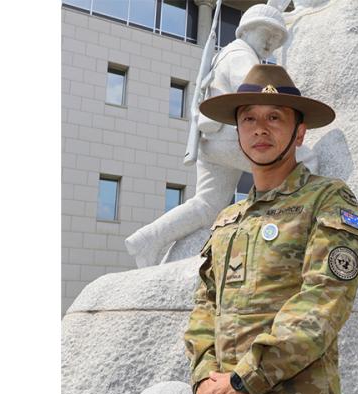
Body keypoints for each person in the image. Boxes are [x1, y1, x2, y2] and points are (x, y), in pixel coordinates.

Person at [183, 63, 358, 394]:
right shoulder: (227, 220)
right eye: (248, 119)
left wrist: (241, 381)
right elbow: (204, 309)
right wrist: (205, 380)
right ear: (238, 133)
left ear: (299, 132)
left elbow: (321, 305)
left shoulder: (328, 200)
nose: (259, 129)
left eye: (274, 118)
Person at [124, 3, 318, 268]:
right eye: (268, 34)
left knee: (207, 205)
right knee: (304, 156)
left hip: (211, 140)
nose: (272, 43)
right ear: (248, 29)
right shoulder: (240, 55)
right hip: (228, 137)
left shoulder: (228, 53)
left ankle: (148, 239)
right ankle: (294, 222)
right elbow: (253, 98)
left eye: (277, 39)